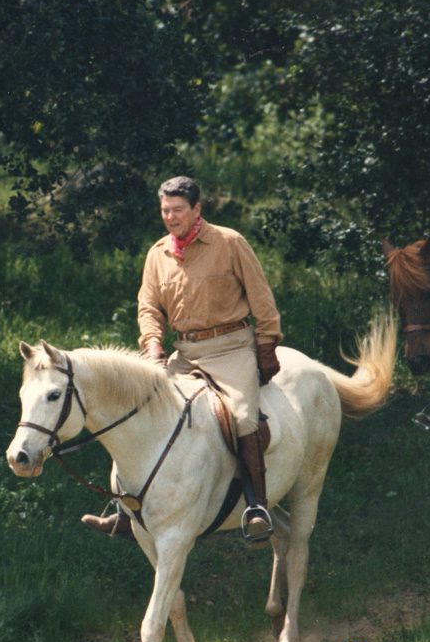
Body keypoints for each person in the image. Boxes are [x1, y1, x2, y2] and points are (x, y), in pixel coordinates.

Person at [82, 175, 283, 544]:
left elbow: (261, 296)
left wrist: (268, 343)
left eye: (177, 210)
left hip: (231, 347)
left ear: (196, 209)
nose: (170, 217)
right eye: (165, 210)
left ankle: (257, 504)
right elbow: (148, 307)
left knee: (241, 417)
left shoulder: (230, 242)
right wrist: (153, 345)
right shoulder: (157, 253)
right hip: (185, 351)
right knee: (140, 408)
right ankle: (126, 511)